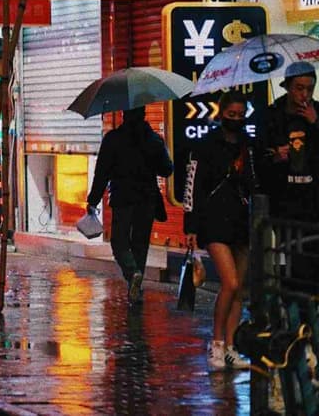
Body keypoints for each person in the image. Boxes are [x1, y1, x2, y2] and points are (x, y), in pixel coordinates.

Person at [184, 91, 254, 371]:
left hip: (240, 220)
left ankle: (231, 347)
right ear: (220, 113)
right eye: (231, 114)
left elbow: (254, 180)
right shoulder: (205, 145)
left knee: (240, 289)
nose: (235, 119)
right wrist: (189, 225)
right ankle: (216, 343)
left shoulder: (248, 146)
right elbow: (192, 185)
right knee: (231, 283)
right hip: (213, 222)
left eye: (240, 115)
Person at [86, 106, 173, 303]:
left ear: (124, 114)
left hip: (123, 199)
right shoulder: (154, 140)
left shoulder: (113, 139)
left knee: (119, 243)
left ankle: (133, 273)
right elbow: (167, 169)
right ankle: (136, 287)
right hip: (147, 199)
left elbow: (101, 173)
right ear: (143, 115)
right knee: (140, 245)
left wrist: (93, 200)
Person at [256, 60, 319, 290]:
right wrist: (276, 156)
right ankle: (292, 314)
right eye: (299, 88)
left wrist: (315, 123)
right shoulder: (272, 116)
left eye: (309, 88)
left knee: (313, 262)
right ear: (287, 87)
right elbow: (258, 157)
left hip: (313, 202)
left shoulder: (317, 113)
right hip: (284, 203)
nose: (304, 94)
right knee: (290, 262)